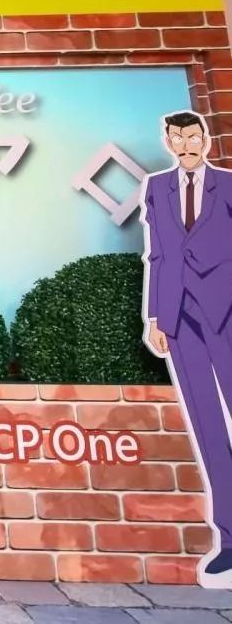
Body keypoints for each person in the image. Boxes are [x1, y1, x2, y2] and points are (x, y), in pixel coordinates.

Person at [140, 110, 232, 581]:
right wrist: (157, 315)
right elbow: (158, 253)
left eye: (193, 136)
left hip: (227, 310)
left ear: (205, 139)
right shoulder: (158, 189)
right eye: (178, 138)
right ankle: (229, 537)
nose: (187, 144)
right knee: (208, 428)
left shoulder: (227, 185)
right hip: (180, 319)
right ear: (170, 143)